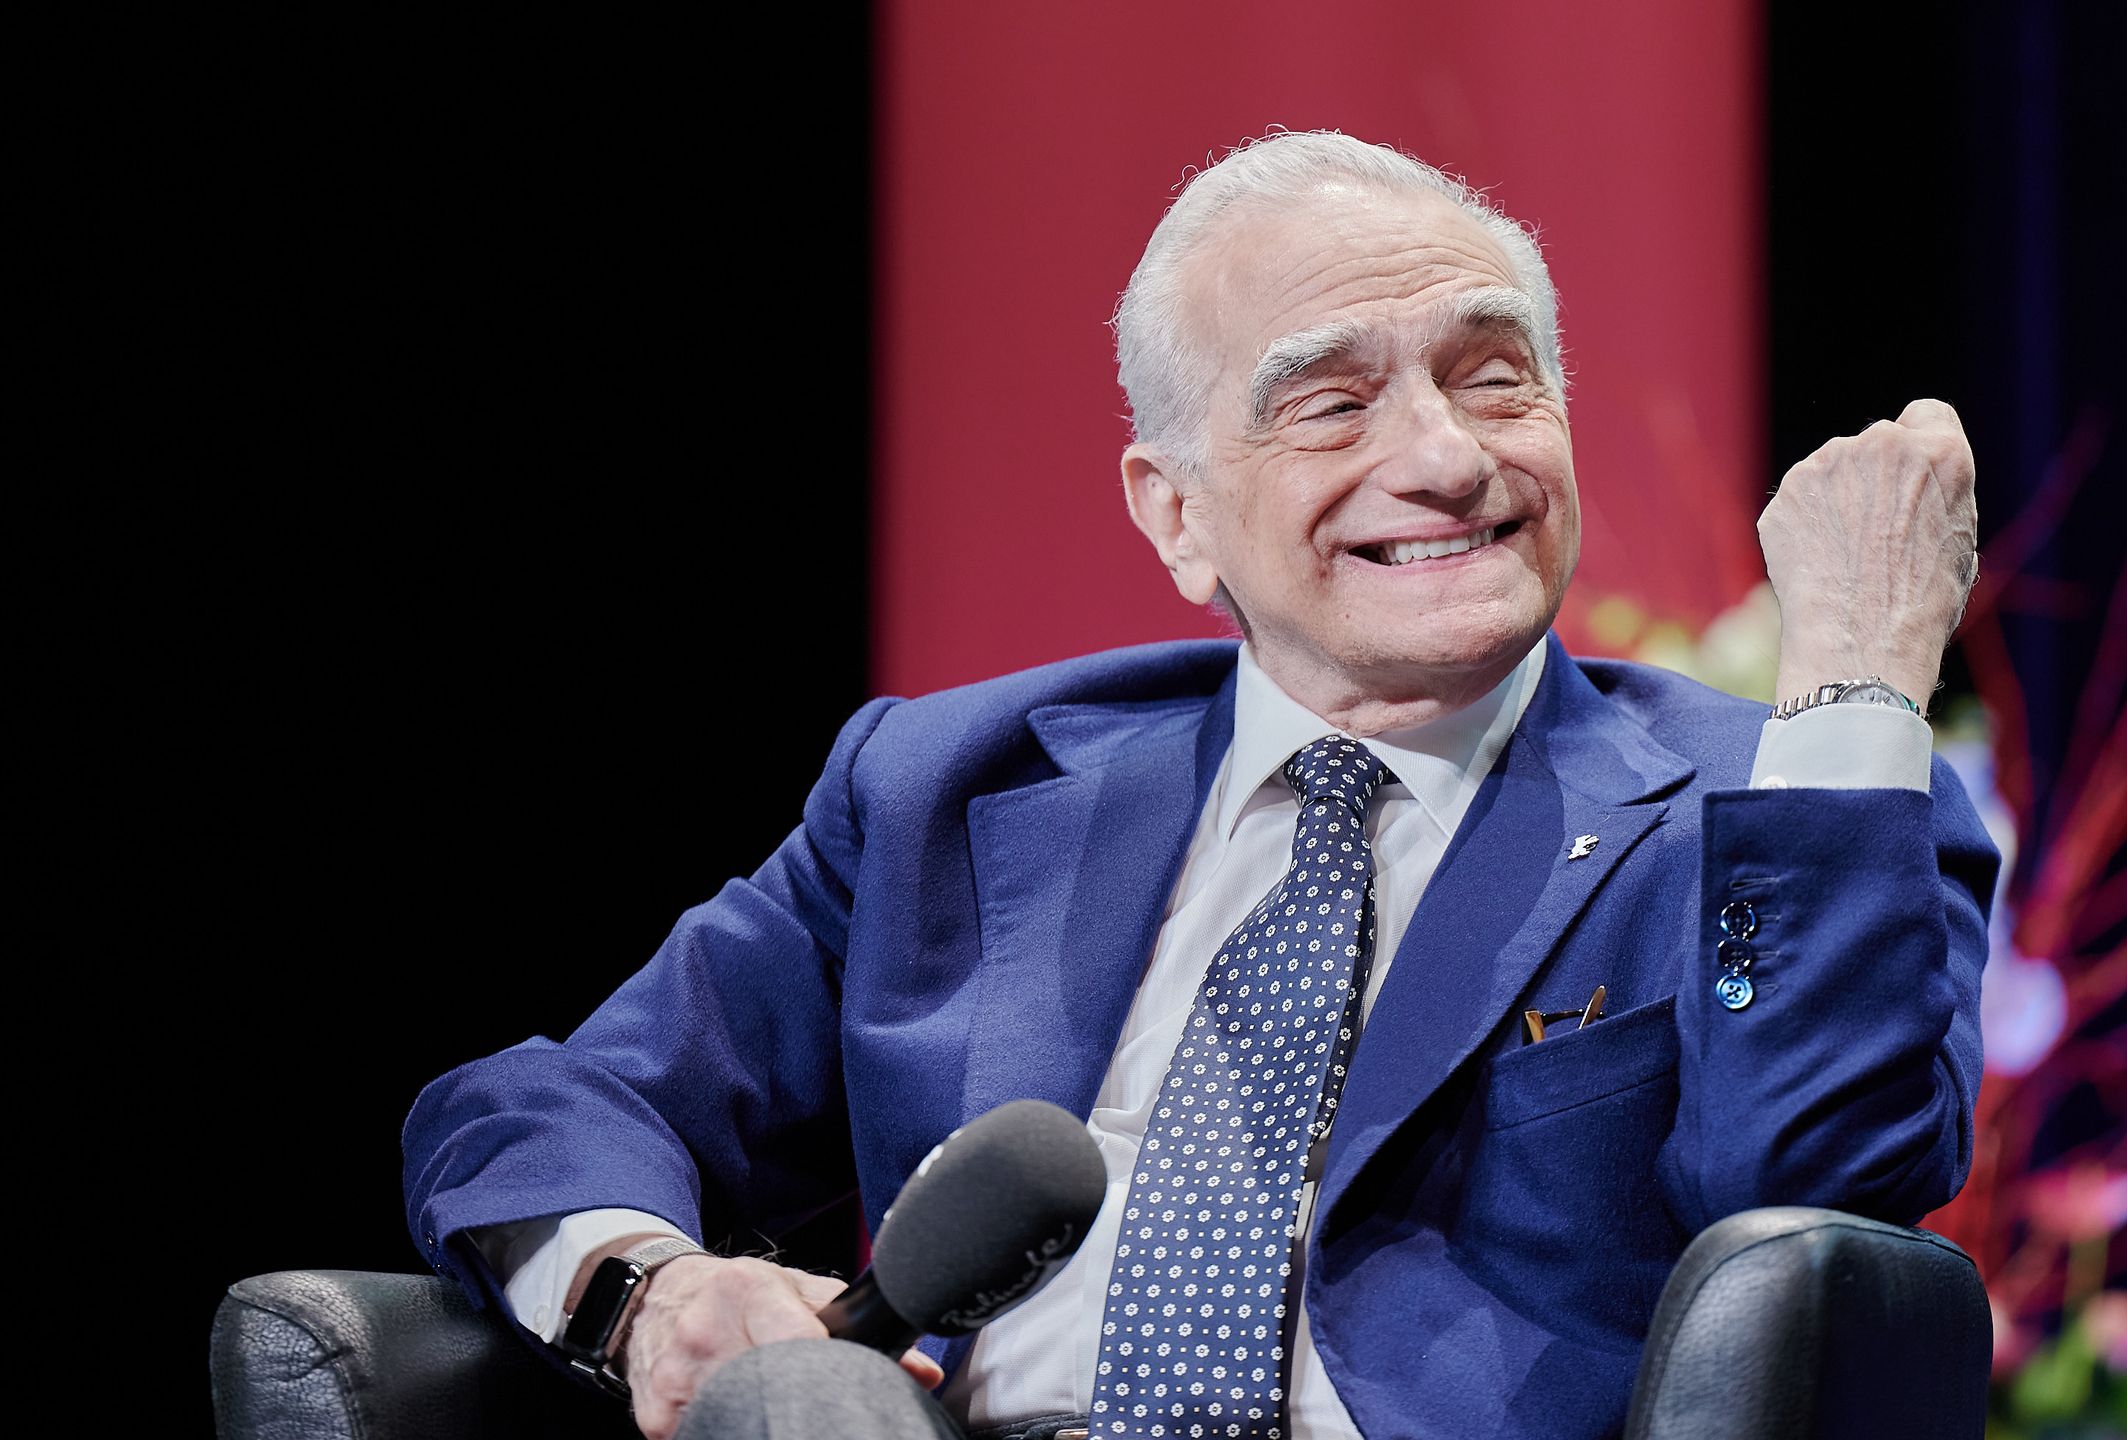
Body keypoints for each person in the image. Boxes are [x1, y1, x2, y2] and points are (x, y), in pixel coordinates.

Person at [403, 130, 1996, 1440]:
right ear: (1176, 515)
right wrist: (650, 1294)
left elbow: (1820, 1205)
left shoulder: (1758, 813)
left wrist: (1857, 678)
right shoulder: (947, 792)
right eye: (1335, 404)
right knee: (796, 1407)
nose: (1447, 457)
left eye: (1495, 379)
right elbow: (538, 1108)